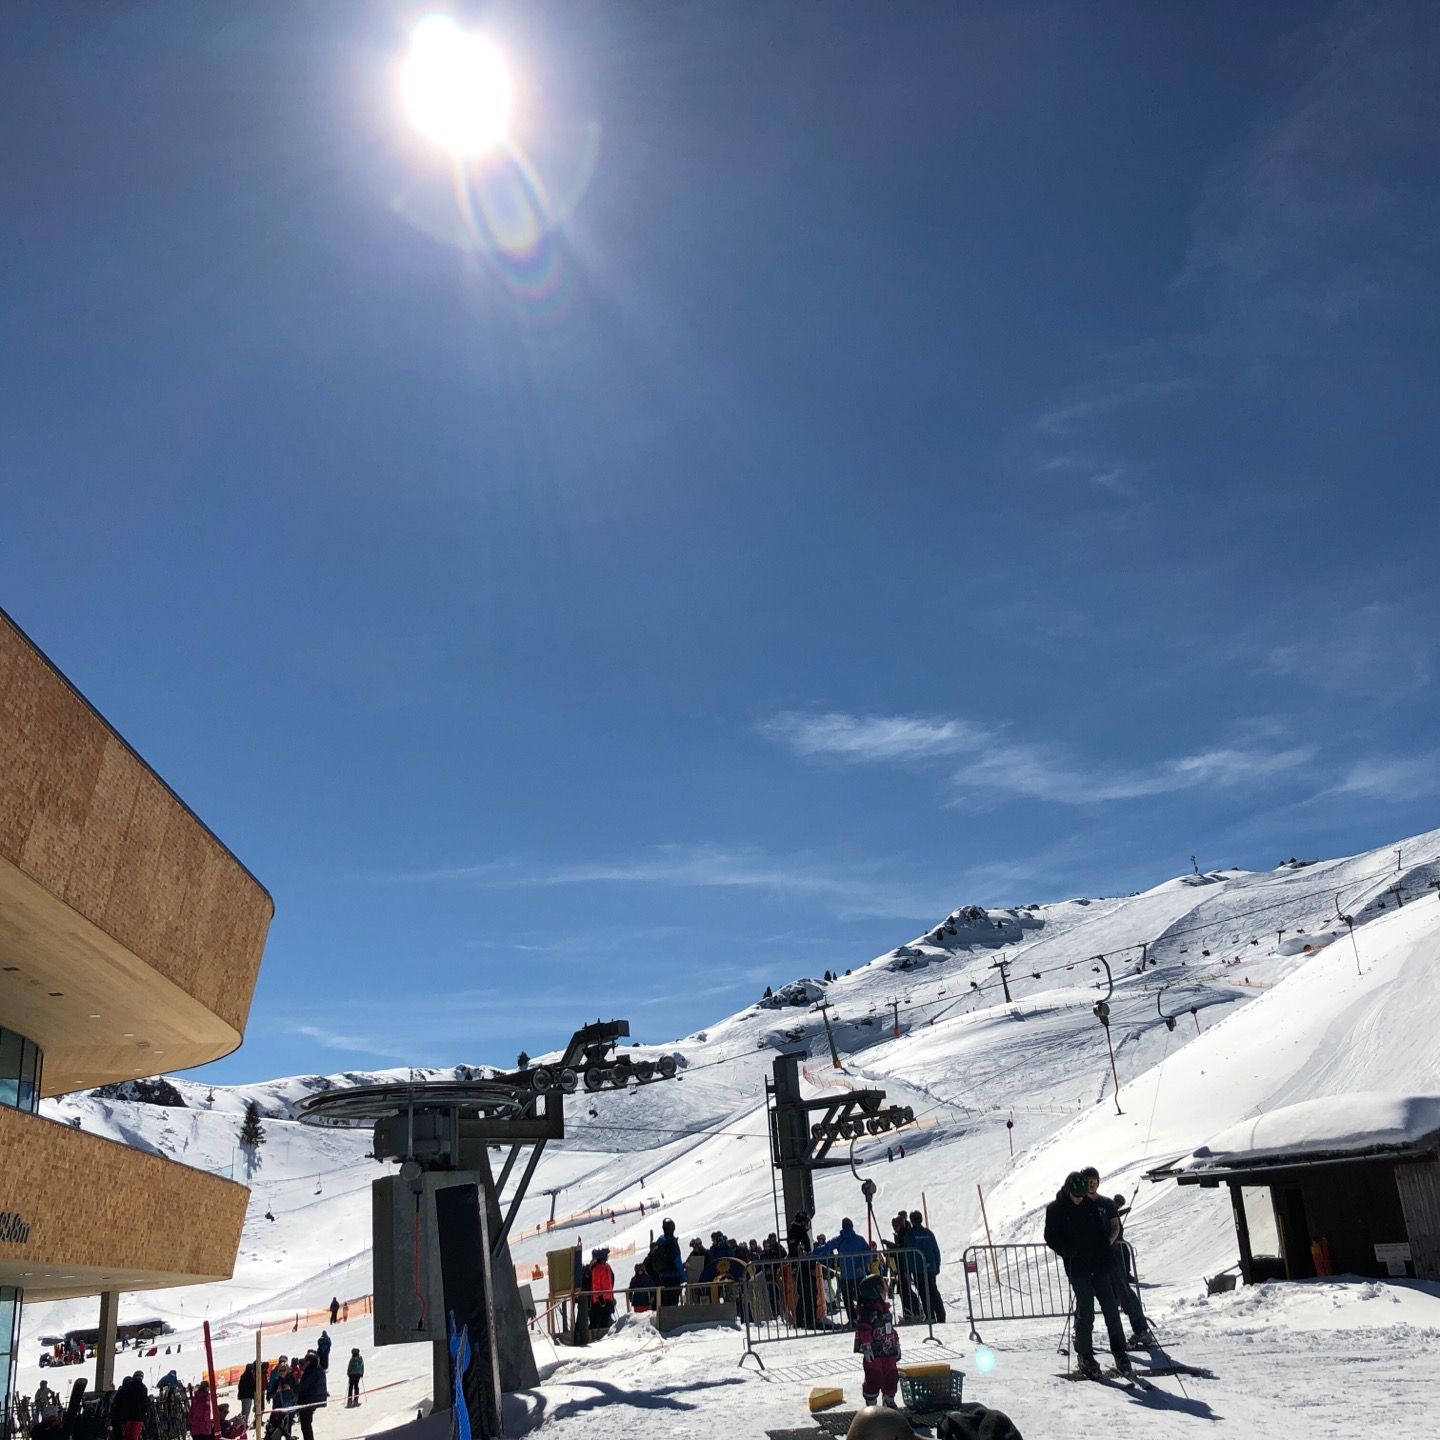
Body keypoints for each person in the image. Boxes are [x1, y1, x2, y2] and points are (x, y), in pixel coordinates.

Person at [1044, 1170, 1130, 1379]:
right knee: (1086, 1310)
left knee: (1111, 1308)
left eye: (1082, 1196)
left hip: (1099, 1264)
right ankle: (1085, 1355)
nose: (1079, 1200)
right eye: (1076, 1196)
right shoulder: (1055, 1209)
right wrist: (1065, 1249)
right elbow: (1050, 1236)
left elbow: (1101, 1234)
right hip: (1078, 1266)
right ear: (1067, 1191)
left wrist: (1107, 1255)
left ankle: (1120, 1353)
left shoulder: (1089, 1205)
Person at [1079, 1169, 1155, 1347]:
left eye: (1094, 1180)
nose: (1091, 1184)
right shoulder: (1079, 1204)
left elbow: (1115, 1228)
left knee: (1124, 1291)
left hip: (1111, 1255)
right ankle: (1081, 1335)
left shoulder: (1107, 1204)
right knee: (1085, 1295)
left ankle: (1141, 1330)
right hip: (1088, 1258)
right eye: (1088, 1180)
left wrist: (1106, 1243)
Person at [811, 1218, 875, 1322]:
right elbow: (869, 1254)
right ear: (852, 1226)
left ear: (843, 1227)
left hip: (846, 1275)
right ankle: (865, 1318)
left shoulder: (839, 1239)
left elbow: (826, 1248)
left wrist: (811, 1254)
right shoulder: (860, 1239)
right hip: (859, 1275)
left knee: (847, 1298)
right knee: (862, 1297)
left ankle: (852, 1319)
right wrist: (861, 1265)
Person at [853, 1273, 901, 1408]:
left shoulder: (884, 1309)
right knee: (874, 1376)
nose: (884, 1292)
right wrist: (866, 1346)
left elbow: (890, 1328)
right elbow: (864, 1329)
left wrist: (896, 1343)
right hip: (874, 1352)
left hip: (888, 1350)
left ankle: (889, 1398)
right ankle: (871, 1401)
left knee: (891, 1375)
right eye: (881, 1289)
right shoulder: (868, 1311)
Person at [906, 1211, 945, 1323]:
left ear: (912, 1220)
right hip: (930, 1268)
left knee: (924, 1293)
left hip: (918, 1269)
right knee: (933, 1291)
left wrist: (908, 1269)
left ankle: (930, 1315)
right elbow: (936, 1250)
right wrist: (936, 1266)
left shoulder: (910, 1235)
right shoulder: (928, 1233)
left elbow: (908, 1253)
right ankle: (941, 1315)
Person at [647, 1218, 685, 1307]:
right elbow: (677, 1261)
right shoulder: (672, 1243)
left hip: (662, 1279)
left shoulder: (660, 1242)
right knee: (673, 1305)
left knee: (664, 1305)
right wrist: (684, 1277)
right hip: (674, 1279)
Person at [295, 1352, 326, 1440]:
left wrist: (294, 1388)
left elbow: (305, 1385)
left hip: (308, 1401)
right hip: (310, 1400)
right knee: (306, 1425)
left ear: (309, 1362)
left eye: (306, 1361)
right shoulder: (316, 1369)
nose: (304, 1363)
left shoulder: (312, 1371)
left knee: (306, 1425)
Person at [588, 1248, 616, 1333]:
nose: (607, 1257)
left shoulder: (607, 1267)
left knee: (606, 1318)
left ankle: (604, 1334)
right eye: (606, 1256)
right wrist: (599, 1296)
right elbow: (595, 1284)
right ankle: (596, 1335)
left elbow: (611, 1282)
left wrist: (612, 1297)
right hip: (599, 1300)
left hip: (608, 1298)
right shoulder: (597, 1268)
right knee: (598, 1319)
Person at [113, 1373, 148, 1440]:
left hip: (126, 1417)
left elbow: (117, 1401)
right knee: (134, 1436)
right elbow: (145, 1404)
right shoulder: (143, 1388)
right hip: (138, 1418)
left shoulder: (126, 1387)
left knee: (126, 1436)